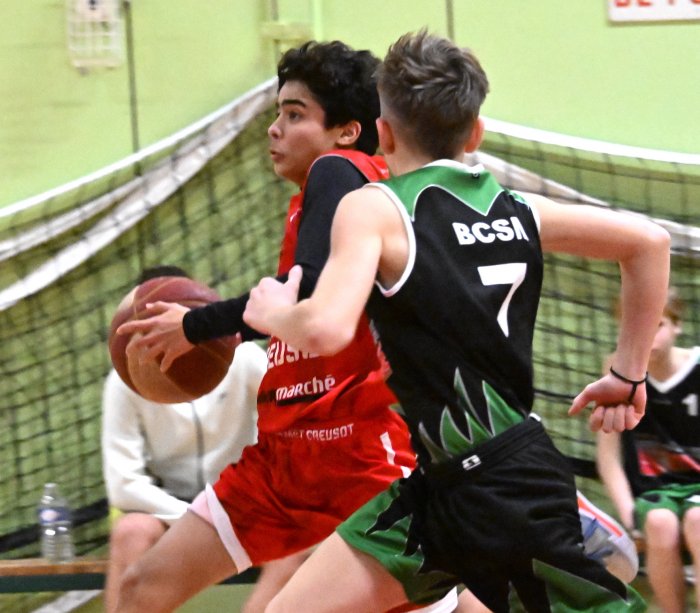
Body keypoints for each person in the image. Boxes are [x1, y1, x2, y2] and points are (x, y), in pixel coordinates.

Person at [243, 30, 670, 612]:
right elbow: (648, 242)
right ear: (475, 134)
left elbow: (325, 328)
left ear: (383, 133)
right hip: (435, 489)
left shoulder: (376, 207)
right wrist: (628, 374)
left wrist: (273, 312)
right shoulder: (517, 208)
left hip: (502, 488)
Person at [113, 41, 457, 613]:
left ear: (347, 131)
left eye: (294, 115)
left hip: (358, 454)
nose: (274, 129)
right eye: (278, 113)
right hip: (284, 458)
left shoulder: (340, 170)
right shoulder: (325, 201)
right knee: (141, 586)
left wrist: (195, 325)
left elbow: (310, 291)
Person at [102, 265, 304, 613]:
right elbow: (123, 485)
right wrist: (195, 519)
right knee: (130, 532)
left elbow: (294, 420)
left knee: (298, 540)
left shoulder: (244, 358)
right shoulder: (124, 382)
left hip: (240, 496)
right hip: (167, 505)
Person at [597, 287, 700, 613]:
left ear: (677, 325)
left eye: (658, 325)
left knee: (698, 519)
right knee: (658, 521)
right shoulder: (617, 372)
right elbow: (608, 457)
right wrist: (628, 515)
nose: (647, 335)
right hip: (654, 493)